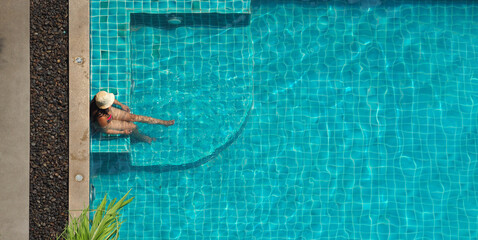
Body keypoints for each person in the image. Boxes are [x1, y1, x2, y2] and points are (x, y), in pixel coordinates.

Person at [90, 91, 174, 144]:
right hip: (108, 122)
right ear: (104, 107)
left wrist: (121, 105)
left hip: (108, 113)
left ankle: (163, 122)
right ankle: (142, 138)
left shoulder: (99, 98)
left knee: (133, 117)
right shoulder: (101, 119)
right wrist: (123, 132)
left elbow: (111, 100)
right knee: (133, 127)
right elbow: (106, 130)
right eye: (109, 104)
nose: (111, 104)